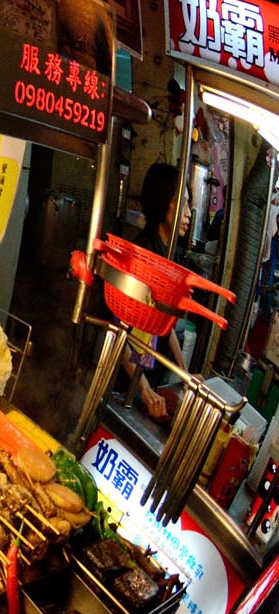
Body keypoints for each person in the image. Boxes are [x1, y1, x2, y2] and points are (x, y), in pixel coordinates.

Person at [122, 161, 192, 422]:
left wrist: (185, 375)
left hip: (143, 373)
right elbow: (119, 329)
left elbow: (165, 322)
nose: (189, 213)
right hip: (126, 377)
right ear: (165, 203)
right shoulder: (144, 255)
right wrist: (145, 389)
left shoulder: (166, 254)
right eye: (183, 203)